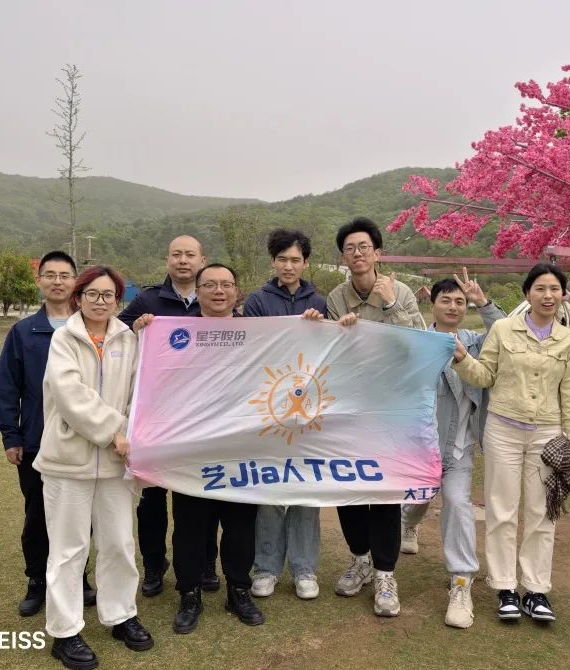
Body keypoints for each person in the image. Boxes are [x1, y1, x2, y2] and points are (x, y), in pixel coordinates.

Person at [452, 263, 570, 623]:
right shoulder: (502, 329)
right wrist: (463, 360)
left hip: (547, 435)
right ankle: (505, 588)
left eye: (554, 289)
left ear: (563, 295)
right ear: (527, 294)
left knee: (543, 513)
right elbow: (486, 375)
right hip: (503, 431)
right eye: (540, 288)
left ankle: (536, 590)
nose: (547, 296)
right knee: (502, 510)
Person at [305, 216, 425, 618]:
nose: (356, 254)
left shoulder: (400, 291)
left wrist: (390, 306)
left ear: (377, 253)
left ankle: (386, 574)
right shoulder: (336, 297)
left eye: (363, 247)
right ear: (343, 257)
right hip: (349, 408)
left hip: (391, 408)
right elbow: (332, 350)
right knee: (350, 487)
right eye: (349, 249)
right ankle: (360, 559)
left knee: (385, 492)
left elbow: (415, 342)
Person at [34, 265, 152, 670]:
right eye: (92, 294)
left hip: (117, 463)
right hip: (68, 461)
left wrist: (130, 432)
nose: (100, 302)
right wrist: (115, 431)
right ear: (78, 297)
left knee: (119, 542)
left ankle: (121, 615)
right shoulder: (64, 339)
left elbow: (140, 392)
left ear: (118, 300)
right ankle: (65, 631)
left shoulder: (128, 338)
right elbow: (71, 396)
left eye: (108, 295)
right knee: (69, 549)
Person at [137, 263, 265, 632]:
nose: (219, 291)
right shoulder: (173, 332)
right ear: (198, 290)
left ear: (237, 291)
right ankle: (189, 594)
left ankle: (238, 590)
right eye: (210, 285)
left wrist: (310, 325)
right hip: (191, 450)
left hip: (241, 447)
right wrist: (142, 331)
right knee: (190, 527)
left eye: (226, 284)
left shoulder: (259, 333)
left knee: (241, 525)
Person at [400, 270, 506, 628]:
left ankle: (461, 582)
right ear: (432, 304)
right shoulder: (418, 342)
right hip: (420, 446)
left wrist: (484, 302)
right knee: (418, 499)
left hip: (459, 446)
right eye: (445, 300)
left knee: (458, 503)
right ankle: (407, 526)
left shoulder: (475, 342)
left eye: (460, 301)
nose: (453, 306)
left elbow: (505, 332)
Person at [0, 251, 96, 616]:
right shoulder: (24, 332)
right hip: (38, 442)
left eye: (65, 275)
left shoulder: (91, 327)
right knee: (38, 515)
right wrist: (11, 436)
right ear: (39, 281)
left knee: (81, 516)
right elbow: (8, 387)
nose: (57, 281)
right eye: (50, 275)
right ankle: (37, 580)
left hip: (85, 440)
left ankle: (78, 577)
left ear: (75, 282)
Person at [119, 235, 220, 597]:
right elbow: (115, 336)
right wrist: (136, 330)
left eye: (190, 255)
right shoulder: (147, 300)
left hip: (200, 418)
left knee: (201, 492)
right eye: (176, 254)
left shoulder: (213, 299)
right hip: (156, 416)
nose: (183, 260)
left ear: (202, 260)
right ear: (167, 260)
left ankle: (206, 563)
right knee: (152, 497)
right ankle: (153, 564)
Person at [244, 229, 327, 601]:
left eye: (295, 259)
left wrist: (319, 326)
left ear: (305, 263)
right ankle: (266, 568)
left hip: (310, 409)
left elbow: (331, 349)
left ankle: (304, 568)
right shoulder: (257, 301)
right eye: (282, 259)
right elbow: (255, 350)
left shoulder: (319, 301)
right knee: (271, 489)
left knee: (306, 490)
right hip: (269, 407)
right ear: (273, 261)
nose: (288, 266)